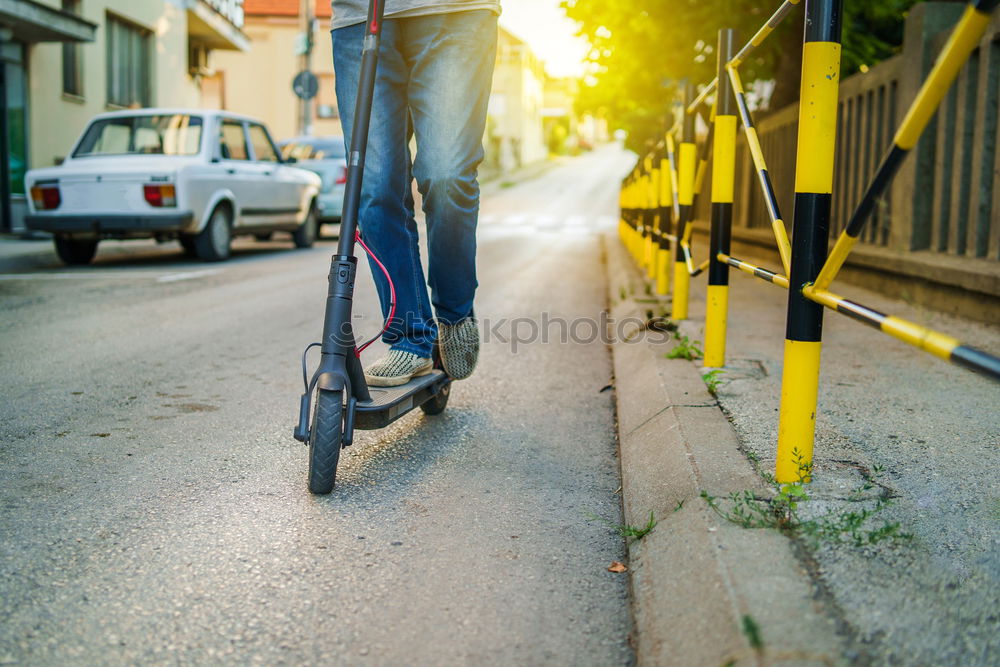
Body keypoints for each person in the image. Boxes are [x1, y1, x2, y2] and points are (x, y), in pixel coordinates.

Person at [331, 0, 499, 387]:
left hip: (455, 11)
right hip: (360, 17)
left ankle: (455, 313)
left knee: (446, 174)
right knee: (373, 189)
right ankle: (409, 335)